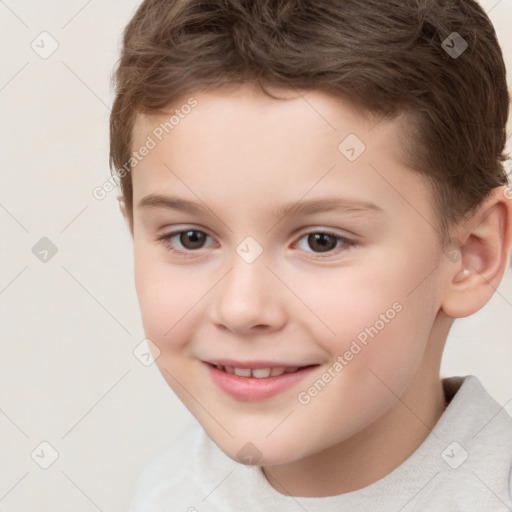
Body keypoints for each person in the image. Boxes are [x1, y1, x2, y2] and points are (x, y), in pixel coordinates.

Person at [109, 0, 512, 509]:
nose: (241, 308)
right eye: (191, 237)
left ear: (472, 256)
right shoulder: (163, 494)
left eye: (322, 241)